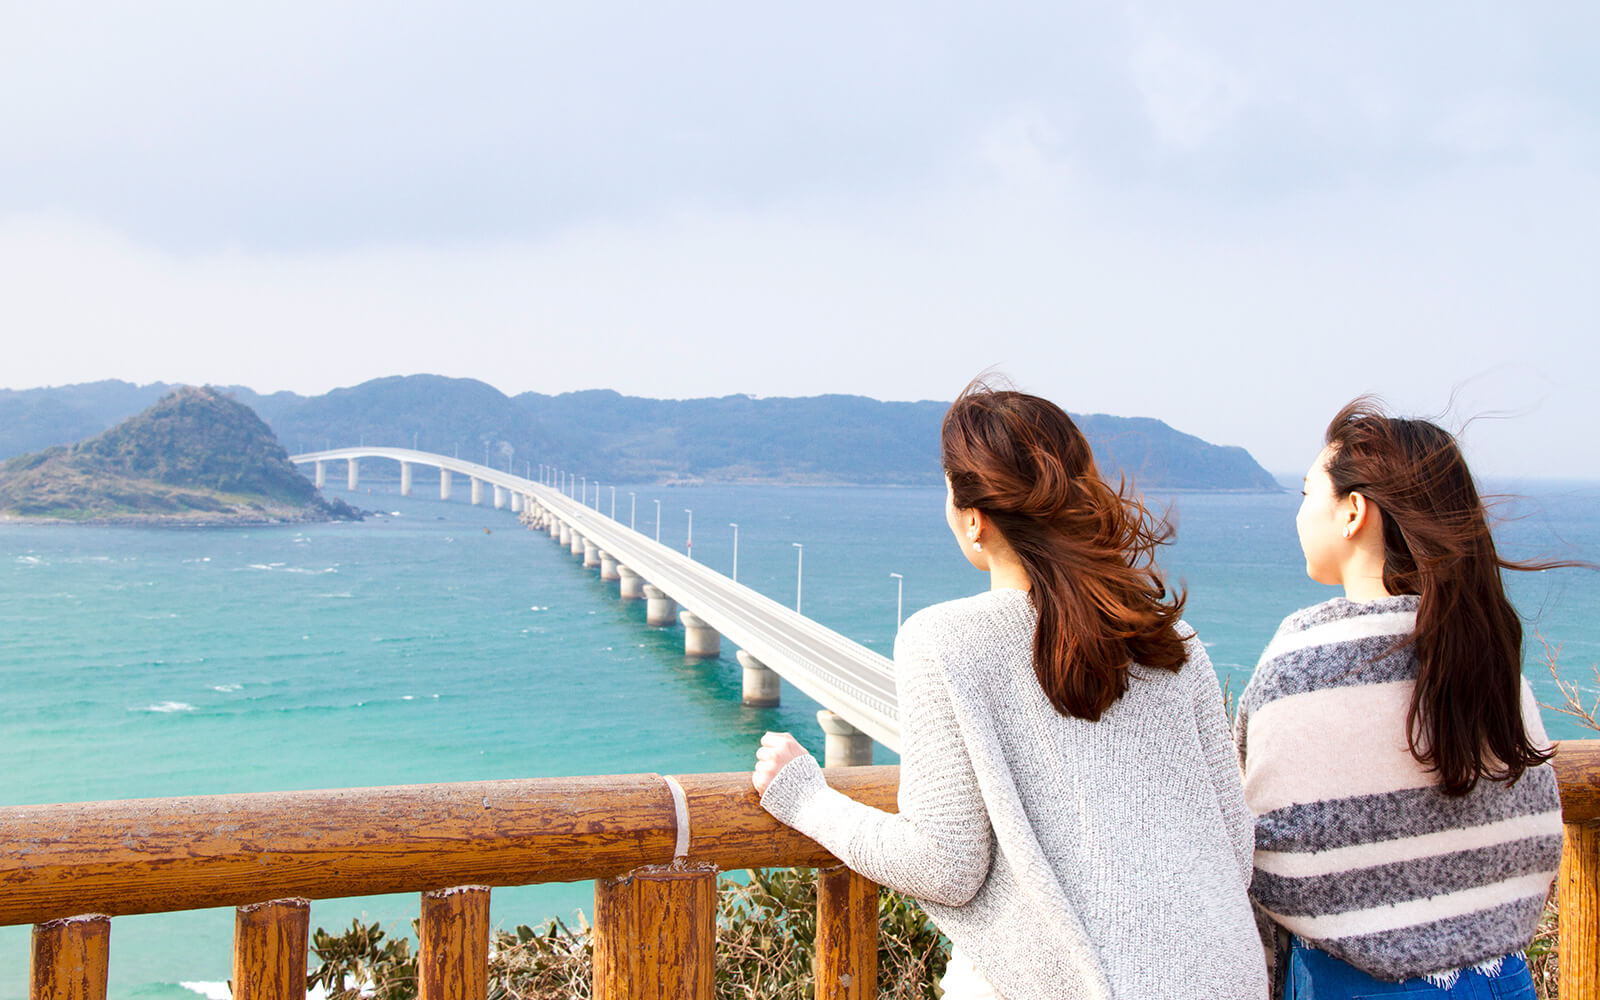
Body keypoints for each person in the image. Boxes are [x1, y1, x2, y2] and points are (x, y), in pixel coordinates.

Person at [751, 382, 1267, 1000]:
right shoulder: (1170, 639)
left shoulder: (943, 641)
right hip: (1224, 976)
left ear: (975, 519)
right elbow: (1236, 850)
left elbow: (944, 864)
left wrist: (807, 799)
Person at [1235, 398, 1564, 998]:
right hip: (1502, 978)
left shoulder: (1305, 655)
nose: (1302, 514)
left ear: (1353, 512)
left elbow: (1264, 845)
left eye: (1308, 495)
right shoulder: (1488, 646)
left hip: (1351, 982)